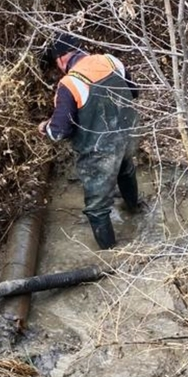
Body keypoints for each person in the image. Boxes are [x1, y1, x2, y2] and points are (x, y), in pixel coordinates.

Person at [37, 34, 141, 249]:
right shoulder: (112, 61)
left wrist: (45, 127)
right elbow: (134, 92)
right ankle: (135, 209)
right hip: (128, 135)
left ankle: (110, 256)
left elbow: (59, 133)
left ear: (61, 59)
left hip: (99, 151)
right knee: (126, 169)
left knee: (97, 207)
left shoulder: (70, 83)